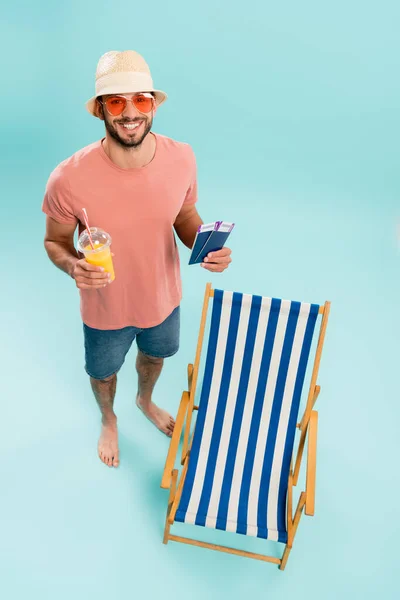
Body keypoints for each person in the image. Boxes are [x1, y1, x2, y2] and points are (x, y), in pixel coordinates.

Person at [42, 50, 232, 469]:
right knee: (103, 373)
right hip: (105, 308)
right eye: (116, 101)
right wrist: (74, 264)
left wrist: (207, 247)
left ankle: (144, 400)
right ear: (100, 110)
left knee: (156, 356)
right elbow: (54, 241)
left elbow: (183, 216)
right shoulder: (68, 177)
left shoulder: (182, 157)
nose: (130, 113)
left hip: (163, 298)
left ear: (154, 105)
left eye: (141, 100)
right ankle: (109, 418)